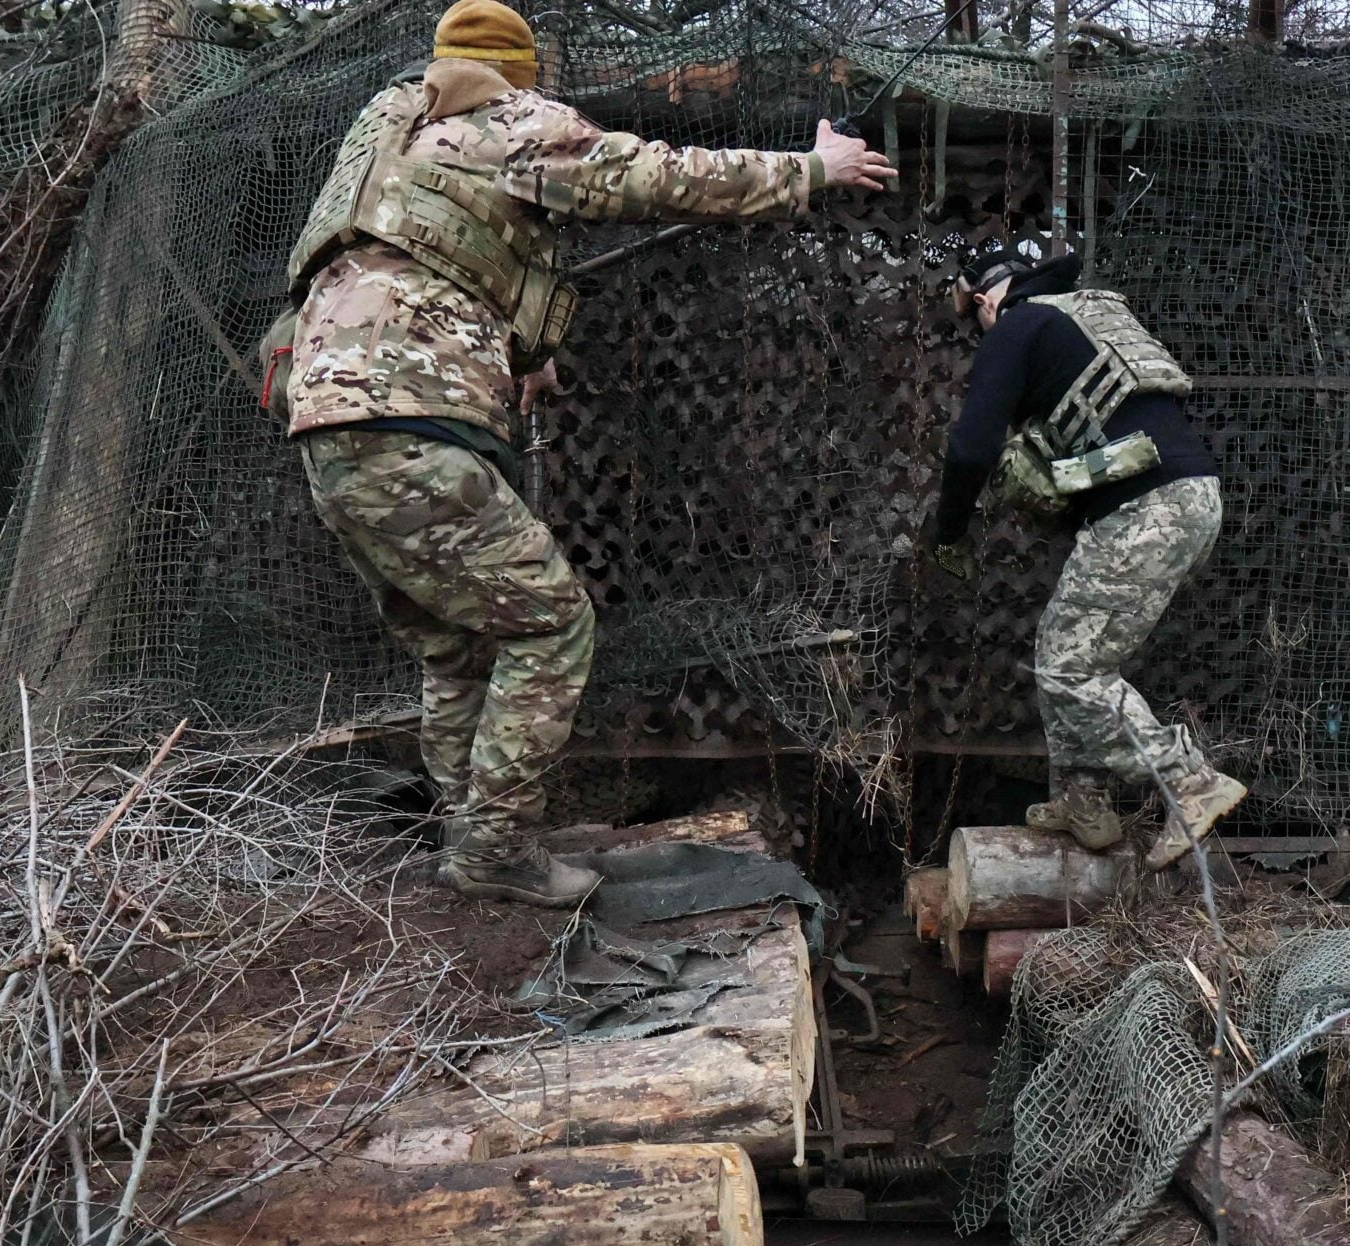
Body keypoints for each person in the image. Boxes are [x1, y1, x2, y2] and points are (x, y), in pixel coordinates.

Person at [281, 0, 893, 905]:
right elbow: (658, 177)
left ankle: (469, 837)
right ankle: (493, 849)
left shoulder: (386, 126)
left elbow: (430, 247)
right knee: (552, 621)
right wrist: (811, 168)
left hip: (329, 426)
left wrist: (524, 354)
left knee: (457, 645)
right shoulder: (517, 121)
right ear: (521, 71)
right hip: (412, 420)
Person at [929, 247, 1246, 869]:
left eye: (976, 316)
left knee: (1073, 670)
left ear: (990, 296)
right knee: (1063, 648)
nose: (978, 330)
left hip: (1147, 508)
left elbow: (970, 449)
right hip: (1188, 495)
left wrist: (949, 533)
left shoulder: (1017, 324)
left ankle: (1189, 780)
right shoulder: (1083, 316)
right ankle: (1084, 802)